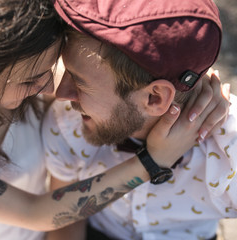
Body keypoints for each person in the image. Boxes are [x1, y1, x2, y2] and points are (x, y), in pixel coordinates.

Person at [0, 0, 229, 239]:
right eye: (32, 79)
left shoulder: (33, 74)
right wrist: (155, 160)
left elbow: (123, 62)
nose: (52, 89)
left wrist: (194, 83)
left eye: (51, 66)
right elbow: (37, 211)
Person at [43, 0, 235, 239]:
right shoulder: (68, 124)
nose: (60, 94)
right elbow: (64, 222)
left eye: (80, 81)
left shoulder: (229, 150)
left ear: (155, 98)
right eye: (67, 71)